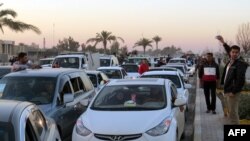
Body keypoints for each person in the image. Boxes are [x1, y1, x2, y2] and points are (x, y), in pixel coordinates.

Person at [216, 35, 248, 124]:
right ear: (230, 53)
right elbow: (228, 50)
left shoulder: (240, 64)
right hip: (227, 90)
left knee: (233, 114)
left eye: (236, 52)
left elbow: (240, 81)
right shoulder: (231, 61)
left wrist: (233, 92)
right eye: (233, 52)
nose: (234, 54)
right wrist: (223, 42)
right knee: (231, 113)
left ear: (239, 54)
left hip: (232, 92)